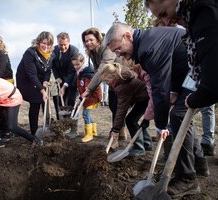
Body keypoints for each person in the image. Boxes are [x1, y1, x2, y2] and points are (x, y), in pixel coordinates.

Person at [103, 22, 209, 198]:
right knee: (180, 116)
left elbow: (159, 88)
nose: (118, 54)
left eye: (118, 49)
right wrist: (174, 91)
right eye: (114, 52)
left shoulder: (148, 48)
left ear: (128, 36)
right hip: (190, 75)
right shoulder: (148, 41)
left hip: (204, 69)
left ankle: (187, 178)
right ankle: (199, 164)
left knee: (178, 116)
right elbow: (174, 64)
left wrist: (160, 126)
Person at [144, 0, 218, 108]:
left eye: (164, 13)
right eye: (160, 18)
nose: (166, 22)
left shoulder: (204, 12)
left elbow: (212, 85)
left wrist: (193, 100)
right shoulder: (193, 19)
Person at [81, 27, 127, 140]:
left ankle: (117, 134)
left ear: (98, 39)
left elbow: (102, 69)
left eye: (91, 40)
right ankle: (120, 131)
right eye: (86, 41)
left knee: (117, 107)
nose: (88, 43)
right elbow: (97, 70)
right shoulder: (92, 52)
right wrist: (91, 88)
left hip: (122, 79)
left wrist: (89, 89)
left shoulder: (107, 49)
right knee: (112, 105)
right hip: (111, 82)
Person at [101, 62, 153, 155]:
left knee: (130, 120)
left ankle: (139, 148)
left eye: (107, 80)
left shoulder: (123, 86)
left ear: (114, 76)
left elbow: (121, 109)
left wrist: (115, 130)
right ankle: (147, 143)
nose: (107, 84)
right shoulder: (123, 76)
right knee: (133, 120)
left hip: (147, 99)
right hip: (143, 98)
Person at [16, 31, 55, 135]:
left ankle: (46, 128)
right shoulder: (30, 53)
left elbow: (47, 70)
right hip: (27, 81)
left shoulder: (52, 55)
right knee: (35, 102)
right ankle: (34, 133)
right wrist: (42, 90)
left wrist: (45, 81)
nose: (46, 46)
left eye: (48, 44)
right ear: (38, 42)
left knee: (44, 101)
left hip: (39, 79)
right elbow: (31, 74)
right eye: (43, 43)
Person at [71, 53, 102, 142]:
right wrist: (80, 95)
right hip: (87, 96)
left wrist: (82, 97)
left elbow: (88, 89)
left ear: (83, 62)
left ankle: (89, 134)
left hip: (93, 96)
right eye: (74, 65)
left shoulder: (88, 74)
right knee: (87, 113)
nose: (75, 66)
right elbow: (81, 86)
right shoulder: (80, 72)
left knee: (85, 113)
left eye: (77, 64)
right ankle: (93, 130)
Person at [52, 32, 79, 119]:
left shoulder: (74, 51)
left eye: (65, 45)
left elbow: (72, 71)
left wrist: (64, 86)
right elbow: (54, 66)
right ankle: (61, 122)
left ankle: (71, 124)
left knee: (70, 102)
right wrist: (57, 77)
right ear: (57, 42)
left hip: (72, 81)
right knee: (59, 101)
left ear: (69, 42)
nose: (63, 47)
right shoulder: (54, 50)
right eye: (60, 45)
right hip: (60, 80)